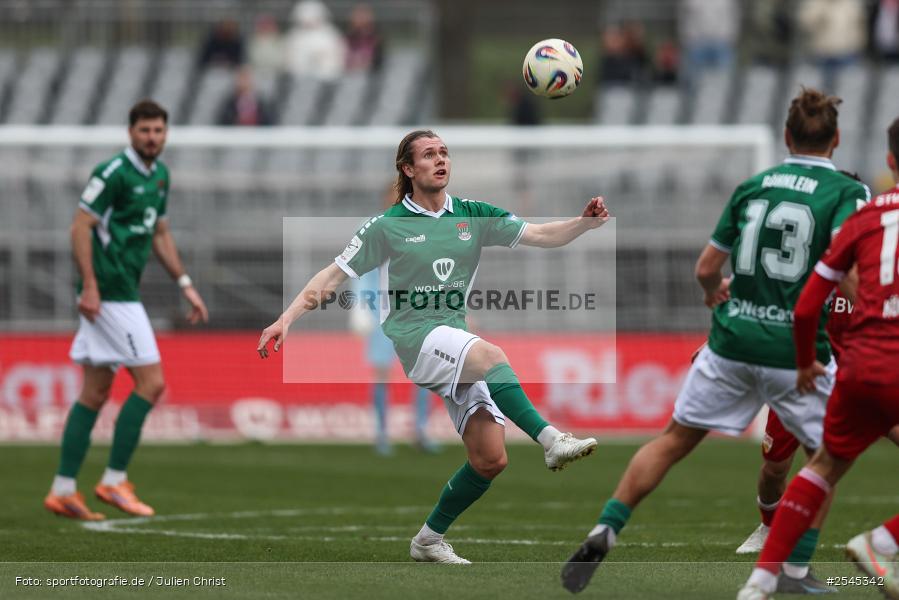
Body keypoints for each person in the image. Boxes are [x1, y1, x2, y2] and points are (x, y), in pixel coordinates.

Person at [561, 88, 870, 594]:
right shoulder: (844, 192)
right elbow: (847, 270)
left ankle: (606, 528)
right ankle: (794, 571)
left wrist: (714, 294)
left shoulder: (754, 185)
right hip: (794, 352)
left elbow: (706, 267)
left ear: (786, 136)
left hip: (730, 340)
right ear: (835, 139)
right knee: (828, 455)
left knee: (672, 441)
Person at [258, 130, 608, 563]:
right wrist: (286, 318)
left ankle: (427, 540)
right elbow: (333, 276)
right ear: (408, 169)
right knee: (492, 356)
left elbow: (540, 235)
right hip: (414, 338)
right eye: (428, 154)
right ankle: (553, 440)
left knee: (490, 459)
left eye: (444, 152)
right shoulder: (386, 226)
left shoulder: (473, 215)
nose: (440, 160)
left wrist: (584, 224)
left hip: (452, 337)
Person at [737, 117, 899, 600]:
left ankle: (764, 582)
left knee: (823, 466)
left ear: (889, 163)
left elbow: (806, 302)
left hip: (851, 374)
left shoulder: (865, 227)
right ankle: (877, 541)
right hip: (840, 371)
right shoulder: (848, 236)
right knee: (776, 466)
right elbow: (796, 302)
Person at [43, 100, 209, 521]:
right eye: (145, 130)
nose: (152, 137)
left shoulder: (161, 177)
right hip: (111, 293)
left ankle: (63, 489)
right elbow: (79, 225)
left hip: (119, 291)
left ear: (165, 134)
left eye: (158, 131)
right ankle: (114, 480)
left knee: (96, 392)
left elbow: (160, 231)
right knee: (151, 384)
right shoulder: (113, 173)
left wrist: (185, 283)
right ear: (131, 132)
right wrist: (92, 286)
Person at [350, 268, 437, 455]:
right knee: (382, 373)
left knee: (423, 369)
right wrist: (359, 308)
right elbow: (360, 270)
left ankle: (420, 431)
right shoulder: (372, 238)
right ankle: (381, 433)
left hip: (412, 311)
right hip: (379, 313)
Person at [284, 0, 347, 82]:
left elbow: (338, 55)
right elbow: (289, 58)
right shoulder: (294, 36)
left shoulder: (330, 34)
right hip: (299, 78)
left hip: (326, 79)